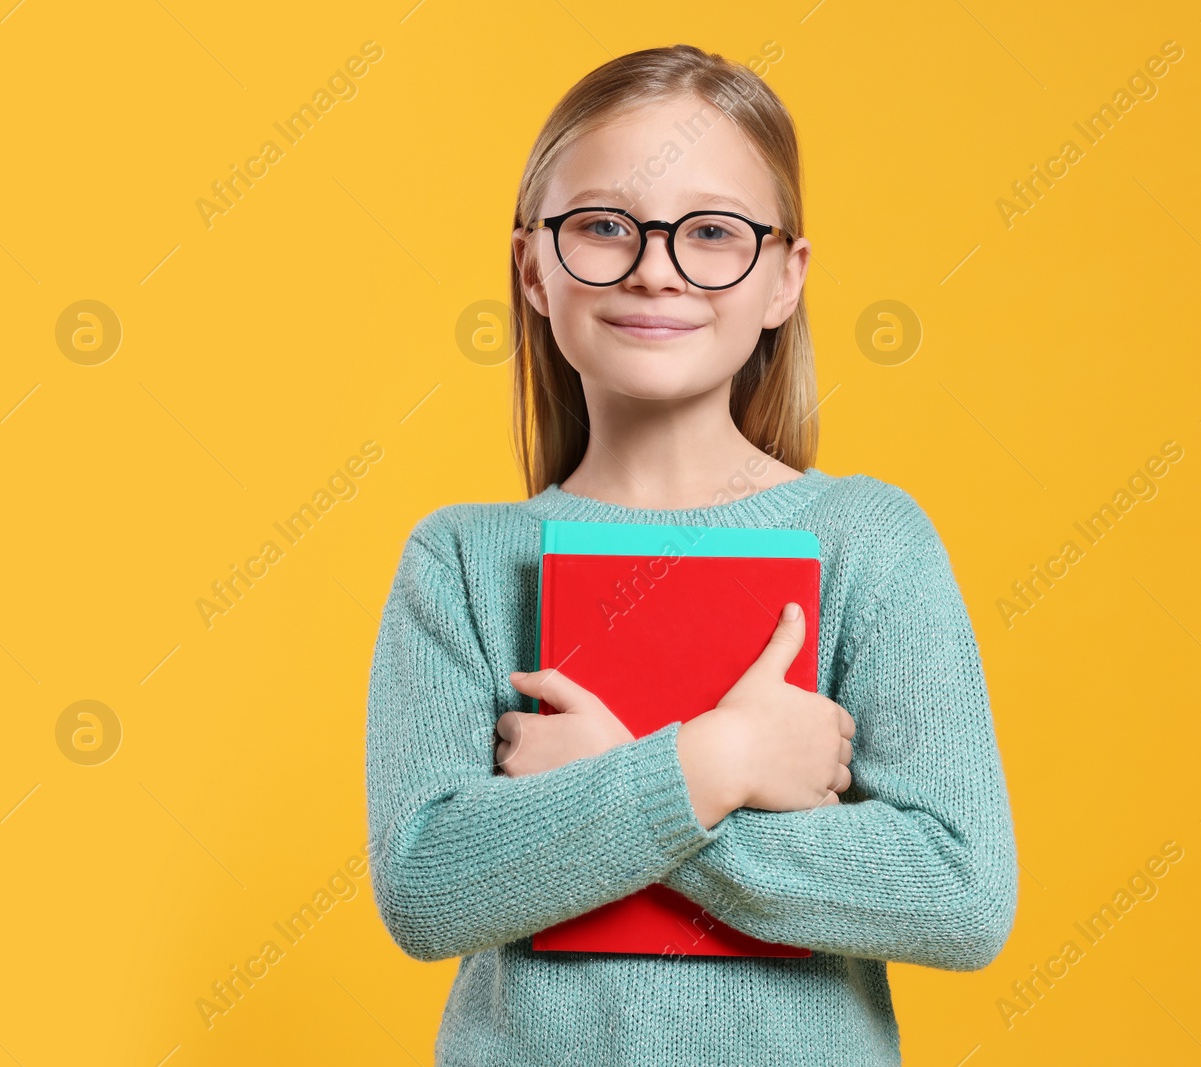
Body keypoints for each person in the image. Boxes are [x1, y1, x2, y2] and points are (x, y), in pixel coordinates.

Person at [365, 42, 1018, 1067]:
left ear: (781, 278)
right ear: (534, 265)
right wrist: (716, 760)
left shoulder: (869, 542)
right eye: (603, 227)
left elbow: (958, 891)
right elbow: (428, 885)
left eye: (712, 231)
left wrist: (615, 785)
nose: (654, 266)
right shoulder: (458, 559)